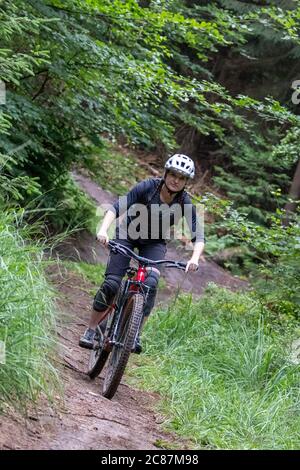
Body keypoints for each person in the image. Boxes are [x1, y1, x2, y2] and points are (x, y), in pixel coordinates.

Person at [79, 154, 205, 352]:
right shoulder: (148, 187)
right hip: (127, 235)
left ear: (186, 182)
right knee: (112, 284)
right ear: (166, 173)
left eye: (181, 178)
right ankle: (91, 329)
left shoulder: (184, 202)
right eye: (173, 175)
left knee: (151, 284)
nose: (176, 180)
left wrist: (195, 258)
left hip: (154, 243)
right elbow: (116, 208)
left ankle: (134, 333)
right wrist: (103, 230)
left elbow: (198, 234)